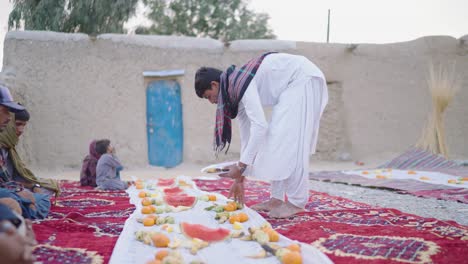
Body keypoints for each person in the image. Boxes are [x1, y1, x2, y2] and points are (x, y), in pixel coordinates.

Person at [194, 52, 328, 218]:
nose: (212, 102)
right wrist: (239, 178)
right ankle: (276, 199)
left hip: (304, 79)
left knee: (291, 139)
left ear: (214, 85)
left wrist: (241, 166)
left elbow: (260, 127)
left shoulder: (241, 82)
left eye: (209, 96)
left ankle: (296, 202)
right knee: (274, 141)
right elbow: (248, 135)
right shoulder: (235, 91)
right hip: (291, 86)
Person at [0, 107, 60, 197]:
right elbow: (5, 183)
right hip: (7, 190)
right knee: (35, 198)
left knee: (50, 186)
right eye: (18, 124)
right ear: (9, 124)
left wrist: (35, 186)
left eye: (24, 125)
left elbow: (17, 176)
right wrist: (33, 186)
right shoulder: (2, 146)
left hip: (13, 187)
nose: (21, 130)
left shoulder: (9, 146)